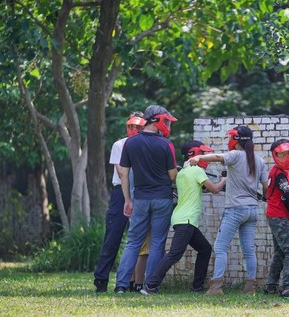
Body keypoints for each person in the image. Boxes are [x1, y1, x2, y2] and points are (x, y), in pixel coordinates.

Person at [188, 125, 267, 295]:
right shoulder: (259, 160)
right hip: (252, 210)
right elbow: (266, 188)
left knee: (220, 246)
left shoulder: (235, 155)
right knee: (249, 250)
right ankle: (250, 286)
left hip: (235, 209)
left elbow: (217, 157)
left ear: (236, 140)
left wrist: (199, 156)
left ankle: (216, 286)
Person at [141, 140, 227, 295]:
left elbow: (200, 190)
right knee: (175, 254)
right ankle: (150, 286)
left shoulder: (182, 173)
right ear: (195, 154)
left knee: (205, 249)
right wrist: (224, 180)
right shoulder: (197, 171)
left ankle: (197, 287)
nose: (205, 157)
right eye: (202, 154)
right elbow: (214, 189)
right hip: (186, 219)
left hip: (183, 219)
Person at [113, 105, 178, 293]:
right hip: (162, 199)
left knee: (133, 241)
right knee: (157, 242)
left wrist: (127, 199)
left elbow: (123, 174)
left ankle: (121, 286)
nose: (167, 125)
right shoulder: (166, 145)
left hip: (139, 198)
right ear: (156, 120)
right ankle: (150, 286)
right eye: (166, 121)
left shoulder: (131, 143)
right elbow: (173, 176)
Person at [93, 113, 146, 293]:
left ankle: (133, 282)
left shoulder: (147, 144)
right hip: (120, 194)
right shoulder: (120, 144)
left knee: (138, 239)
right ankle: (101, 280)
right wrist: (127, 198)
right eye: (131, 126)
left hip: (141, 192)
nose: (134, 130)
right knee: (113, 237)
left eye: (137, 127)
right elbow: (122, 172)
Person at [264, 139, 289, 299]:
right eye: (282, 154)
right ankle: (287, 288)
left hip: (277, 215)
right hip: (278, 216)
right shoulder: (279, 173)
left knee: (280, 252)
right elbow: (287, 195)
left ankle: (271, 286)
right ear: (275, 155)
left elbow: (285, 196)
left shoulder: (280, 172)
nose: (286, 157)